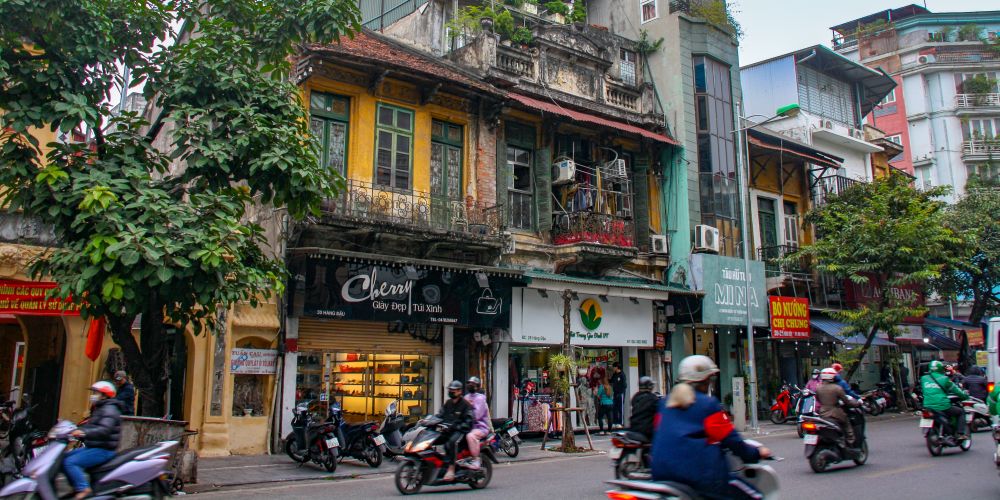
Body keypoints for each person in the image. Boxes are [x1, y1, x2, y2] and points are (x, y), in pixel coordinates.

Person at [650, 355, 770, 499]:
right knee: (754, 496)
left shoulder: (664, 404)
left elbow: (657, 432)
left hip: (661, 474)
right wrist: (755, 453)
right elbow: (730, 439)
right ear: (705, 380)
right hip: (699, 476)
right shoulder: (708, 405)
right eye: (711, 379)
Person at [62, 381, 124, 499]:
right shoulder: (100, 408)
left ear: (104, 395)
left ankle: (83, 488)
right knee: (63, 457)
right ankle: (76, 487)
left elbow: (104, 430)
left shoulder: (109, 409)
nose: (93, 395)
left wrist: (84, 432)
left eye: (96, 392)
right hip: (94, 446)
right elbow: (91, 426)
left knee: (70, 462)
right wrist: (75, 430)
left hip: (104, 450)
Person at [435, 380, 474, 481]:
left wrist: (456, 426)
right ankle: (439, 465)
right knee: (433, 438)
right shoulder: (448, 403)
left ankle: (451, 469)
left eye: (454, 390)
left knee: (452, 443)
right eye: (450, 390)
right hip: (448, 430)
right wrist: (429, 420)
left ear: (460, 391)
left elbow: (468, 421)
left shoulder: (465, 404)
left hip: (460, 431)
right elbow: (440, 415)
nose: (451, 392)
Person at [921, 360, 969, 440]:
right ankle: (960, 433)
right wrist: (965, 396)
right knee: (960, 412)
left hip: (927, 405)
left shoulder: (924, 378)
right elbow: (956, 390)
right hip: (942, 405)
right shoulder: (945, 379)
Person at [815, 368, 861, 450]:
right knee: (846, 422)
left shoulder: (818, 388)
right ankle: (850, 441)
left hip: (822, 413)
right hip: (835, 412)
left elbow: (818, 399)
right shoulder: (837, 388)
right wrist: (857, 403)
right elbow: (846, 401)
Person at [462, 376, 490, 470]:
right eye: (469, 383)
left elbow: (477, 415)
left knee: (470, 436)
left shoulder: (481, 398)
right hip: (467, 426)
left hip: (480, 427)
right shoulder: (466, 397)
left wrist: (470, 406)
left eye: (473, 384)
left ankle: (476, 459)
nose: (470, 385)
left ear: (477, 387)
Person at [628, 376, 659, 440]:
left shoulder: (635, 397)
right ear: (649, 386)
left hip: (634, 427)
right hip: (646, 430)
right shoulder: (652, 398)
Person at [610, 363, 627, 428]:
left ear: (617, 367)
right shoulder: (615, 374)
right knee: (614, 407)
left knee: (620, 408)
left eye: (614, 367)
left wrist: (620, 392)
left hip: (621, 394)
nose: (613, 368)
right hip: (615, 393)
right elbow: (611, 381)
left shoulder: (622, 375)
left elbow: (625, 385)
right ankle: (615, 422)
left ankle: (621, 423)